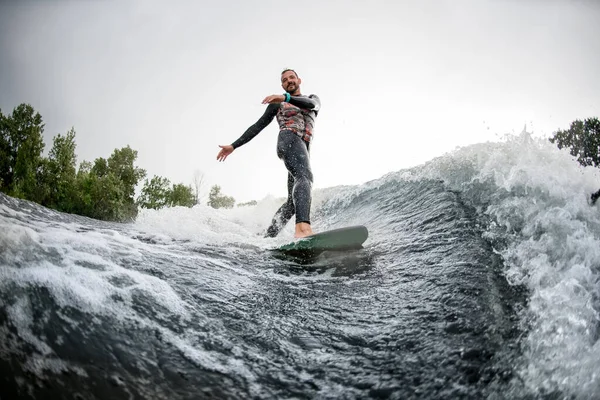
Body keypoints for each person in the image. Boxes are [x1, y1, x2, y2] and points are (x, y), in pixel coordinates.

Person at [216, 69, 321, 238]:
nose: (289, 81)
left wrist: (285, 97)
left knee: (292, 204)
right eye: (285, 80)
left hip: (302, 148)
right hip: (288, 139)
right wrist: (234, 145)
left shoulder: (312, 99)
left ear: (299, 80)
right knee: (305, 177)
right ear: (282, 85)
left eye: (291, 77)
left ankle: (268, 237)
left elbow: (310, 105)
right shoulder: (277, 103)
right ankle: (303, 230)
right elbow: (258, 126)